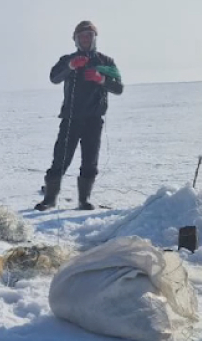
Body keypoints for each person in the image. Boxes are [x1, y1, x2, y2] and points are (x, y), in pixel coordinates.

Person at [34, 21, 124, 212]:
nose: (85, 39)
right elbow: (54, 78)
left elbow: (119, 88)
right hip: (71, 119)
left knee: (90, 161)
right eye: (81, 36)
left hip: (94, 119)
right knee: (60, 158)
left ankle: (84, 200)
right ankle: (50, 199)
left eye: (89, 36)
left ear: (94, 39)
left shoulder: (106, 62)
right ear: (75, 39)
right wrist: (70, 66)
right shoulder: (67, 59)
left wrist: (102, 80)